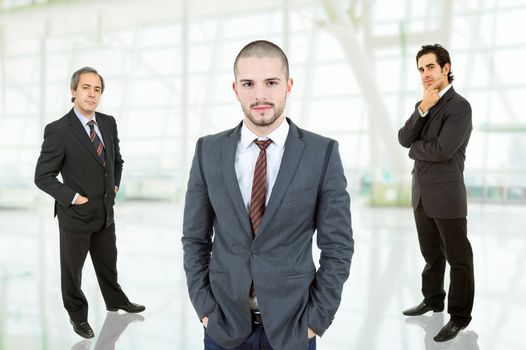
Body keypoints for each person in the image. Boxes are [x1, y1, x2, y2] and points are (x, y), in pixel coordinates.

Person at [182, 40, 354, 350]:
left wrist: (316, 320)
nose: (260, 95)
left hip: (294, 329)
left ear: (288, 85)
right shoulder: (208, 151)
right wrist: (205, 309)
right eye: (248, 83)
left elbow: (338, 245)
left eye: (271, 82)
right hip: (223, 327)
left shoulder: (322, 153)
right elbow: (195, 238)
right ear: (235, 89)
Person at [35, 67, 145, 339]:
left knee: (108, 263)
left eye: (97, 89)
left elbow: (117, 160)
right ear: (73, 91)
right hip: (76, 215)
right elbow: (42, 176)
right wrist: (73, 198)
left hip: (105, 212)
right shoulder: (59, 130)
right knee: (72, 272)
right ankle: (77, 315)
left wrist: (115, 185)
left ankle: (115, 300)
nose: (91, 94)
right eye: (86, 88)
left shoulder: (107, 123)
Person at [398, 44, 474, 342]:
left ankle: (459, 316)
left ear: (446, 67)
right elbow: (404, 137)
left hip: (447, 195)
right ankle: (433, 299)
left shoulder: (459, 107)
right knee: (431, 255)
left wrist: (416, 149)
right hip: (421, 194)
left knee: (458, 257)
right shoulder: (425, 104)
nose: (425, 74)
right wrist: (422, 109)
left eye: (430, 67)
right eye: (420, 69)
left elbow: (443, 150)